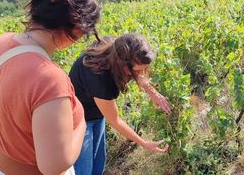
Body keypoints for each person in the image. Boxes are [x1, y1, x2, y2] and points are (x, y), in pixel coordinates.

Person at [0, 0, 101, 175]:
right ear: (76, 27)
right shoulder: (49, 78)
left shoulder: (0, 44)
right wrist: (81, 122)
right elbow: (55, 165)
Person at [69, 34, 172, 175]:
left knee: (97, 167)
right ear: (122, 65)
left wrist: (153, 93)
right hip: (77, 119)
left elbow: (138, 73)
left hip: (97, 112)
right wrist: (143, 143)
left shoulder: (114, 47)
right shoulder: (100, 77)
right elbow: (115, 120)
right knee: (83, 171)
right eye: (137, 70)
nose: (142, 73)